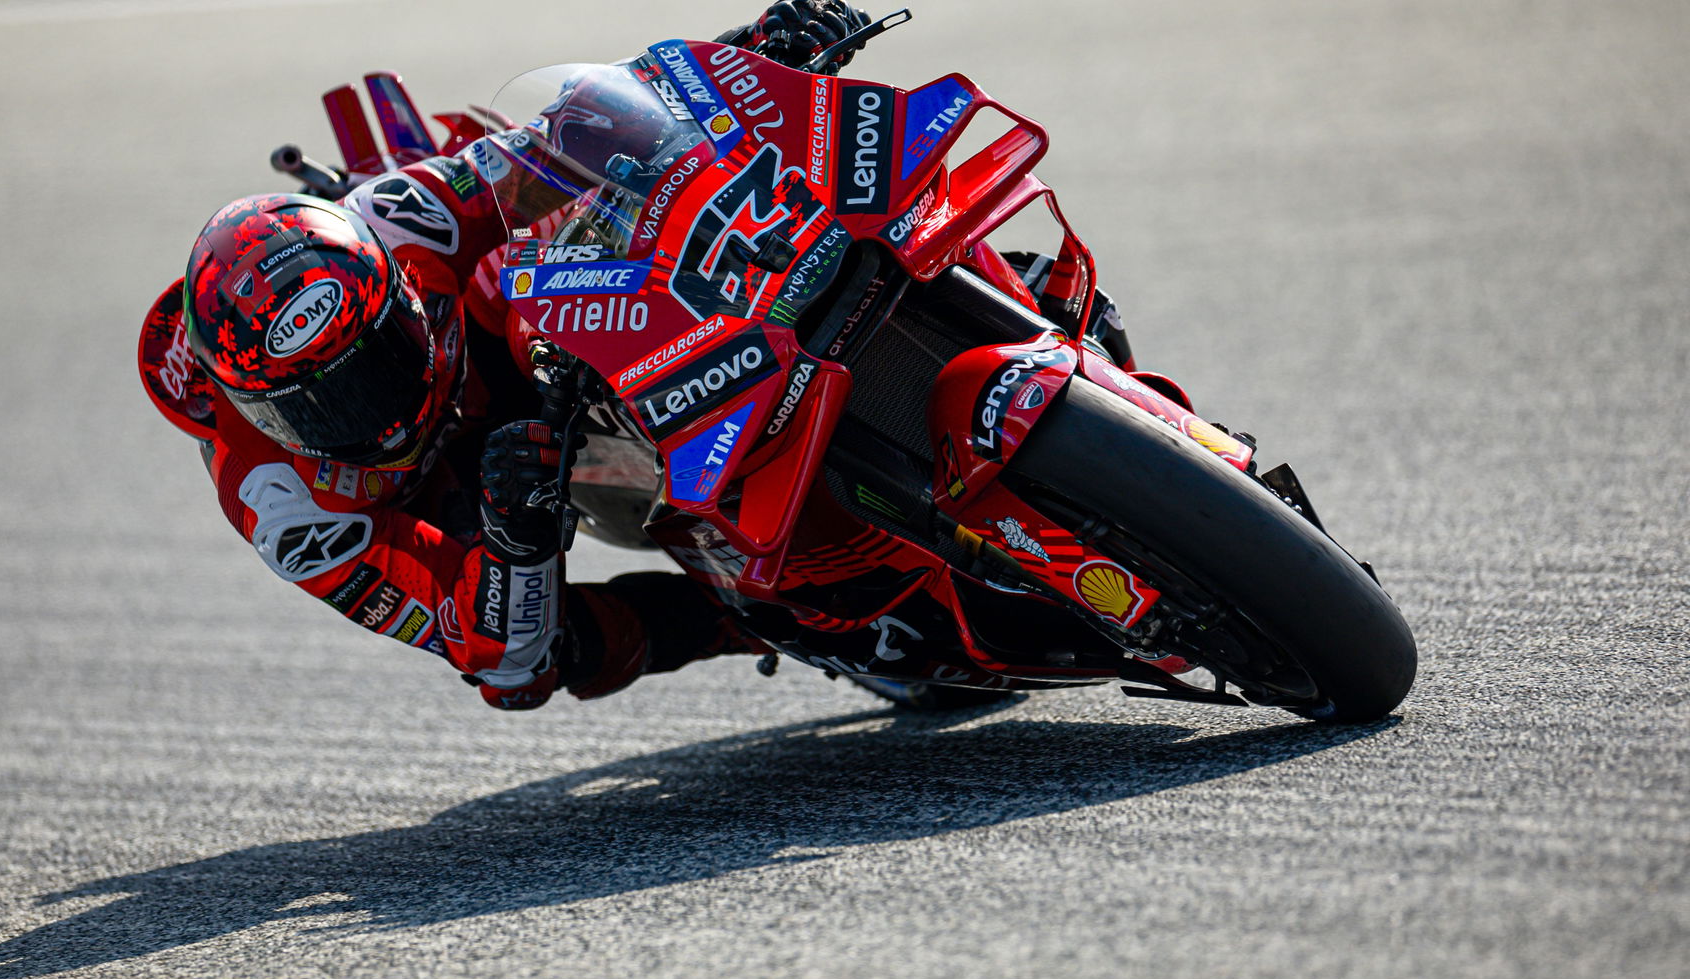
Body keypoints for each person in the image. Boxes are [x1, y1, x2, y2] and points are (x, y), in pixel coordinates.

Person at [137, 1, 1129, 710]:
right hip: (496, 486)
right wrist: (516, 540)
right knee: (574, 647)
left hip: (537, 340)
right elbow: (501, 667)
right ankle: (745, 616)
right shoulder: (283, 503)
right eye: (320, 401)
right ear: (252, 410)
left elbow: (561, 141)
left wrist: (754, 55)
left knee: (735, 200)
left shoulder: (400, 222)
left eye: (378, 352)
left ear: (392, 288)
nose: (372, 404)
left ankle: (999, 301)